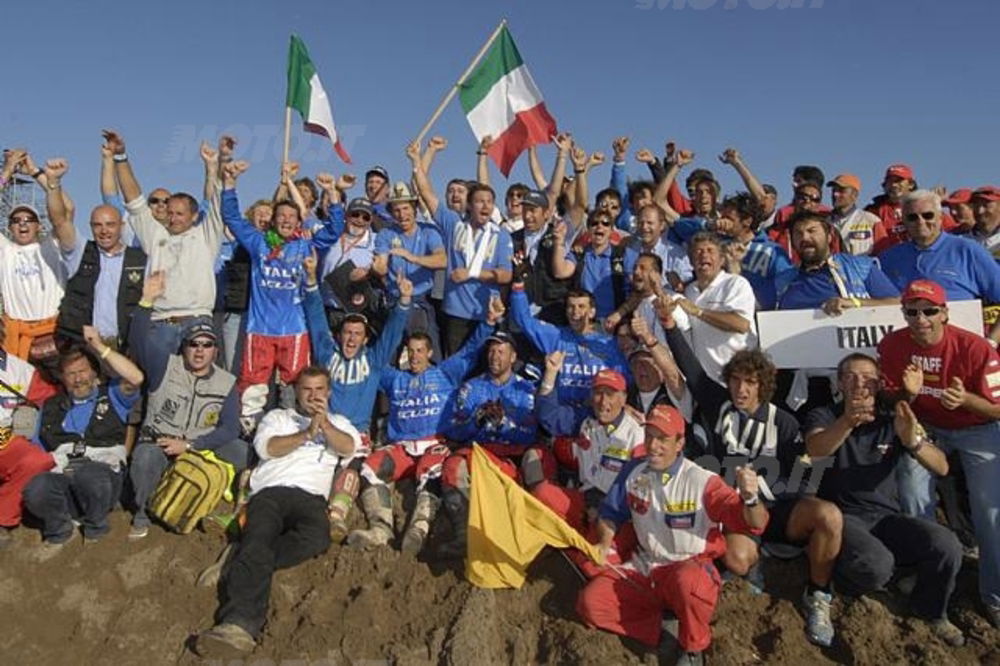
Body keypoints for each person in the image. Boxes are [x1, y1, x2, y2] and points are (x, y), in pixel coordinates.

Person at [658, 303, 841, 646]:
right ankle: (756, 563)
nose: (741, 389)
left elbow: (804, 478)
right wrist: (668, 326)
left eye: (750, 383)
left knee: (829, 516)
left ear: (764, 386)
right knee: (738, 559)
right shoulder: (718, 404)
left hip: (777, 507)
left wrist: (764, 490)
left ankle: (819, 595)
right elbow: (691, 369)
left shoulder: (783, 423)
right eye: (736, 381)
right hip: (740, 513)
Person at [576, 404, 768, 666]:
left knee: (689, 583)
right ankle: (665, 627)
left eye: (663, 439)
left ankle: (693, 647)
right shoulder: (633, 471)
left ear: (680, 443)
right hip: (647, 565)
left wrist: (751, 498)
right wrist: (603, 544)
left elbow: (756, 524)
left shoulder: (703, 481)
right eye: (650, 436)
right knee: (591, 603)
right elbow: (610, 515)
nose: (653, 446)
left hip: (689, 566)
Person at [193, 367, 361, 658]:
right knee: (259, 537)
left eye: (319, 389)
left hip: (310, 497)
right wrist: (306, 433)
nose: (313, 396)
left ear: (329, 392)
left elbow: (350, 447)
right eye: (307, 390)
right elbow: (267, 448)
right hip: (270, 492)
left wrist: (325, 427)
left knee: (316, 539)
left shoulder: (340, 422)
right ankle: (237, 625)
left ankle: (241, 558)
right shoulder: (278, 417)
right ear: (296, 391)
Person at [803, 353, 966, 646]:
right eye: (850, 376)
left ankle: (932, 612)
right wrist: (847, 422)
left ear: (879, 385)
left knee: (947, 545)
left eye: (868, 378)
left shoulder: (894, 419)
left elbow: (941, 466)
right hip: (843, 518)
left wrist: (912, 441)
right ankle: (844, 579)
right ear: (839, 383)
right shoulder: (824, 414)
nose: (859, 384)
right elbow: (816, 449)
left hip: (887, 517)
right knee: (876, 566)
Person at [877, 279, 1000, 628]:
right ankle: (929, 570)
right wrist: (906, 393)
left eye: (930, 311)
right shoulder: (892, 344)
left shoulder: (975, 348)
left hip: (978, 429)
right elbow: (887, 401)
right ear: (903, 314)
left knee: (991, 512)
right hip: (926, 426)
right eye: (912, 312)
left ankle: (995, 595)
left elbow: (998, 409)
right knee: (913, 494)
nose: (921, 319)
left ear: (944, 313)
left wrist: (967, 401)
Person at [347, 297, 503, 553]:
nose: (415, 356)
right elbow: (371, 362)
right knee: (371, 467)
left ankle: (419, 530)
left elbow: (471, 350)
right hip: (403, 447)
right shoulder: (394, 378)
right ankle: (380, 529)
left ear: (430, 353)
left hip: (436, 444)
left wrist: (488, 322)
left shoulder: (444, 373)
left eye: (420, 351)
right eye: (410, 351)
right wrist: (360, 341)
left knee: (431, 471)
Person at [127, 272, 250, 539]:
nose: (199, 350)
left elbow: (229, 429)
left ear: (215, 351)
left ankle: (231, 502)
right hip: (160, 442)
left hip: (198, 445)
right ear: (184, 348)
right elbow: (138, 342)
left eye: (207, 345)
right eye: (193, 344)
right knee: (145, 459)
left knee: (243, 452)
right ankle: (143, 512)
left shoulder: (226, 382)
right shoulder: (164, 366)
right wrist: (146, 300)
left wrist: (192, 446)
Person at [302, 252, 411, 537]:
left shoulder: (374, 360)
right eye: (347, 333)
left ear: (365, 338)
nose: (351, 338)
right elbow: (316, 319)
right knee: (313, 466)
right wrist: (312, 279)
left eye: (357, 334)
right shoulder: (327, 353)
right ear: (340, 335)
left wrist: (404, 302)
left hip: (358, 434)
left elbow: (393, 332)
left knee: (353, 467)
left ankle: (337, 515)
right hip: (325, 426)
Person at [105, 130, 226, 363]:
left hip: (198, 321)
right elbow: (134, 200)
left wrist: (219, 164)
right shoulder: (155, 235)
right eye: (170, 213)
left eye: (180, 214)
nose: (173, 218)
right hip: (160, 324)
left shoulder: (205, 236)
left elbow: (218, 200)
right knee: (158, 389)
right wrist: (120, 157)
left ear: (193, 216)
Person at [23, 326, 143, 555]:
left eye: (83, 371)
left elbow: (136, 377)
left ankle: (96, 529)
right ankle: (59, 531)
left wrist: (99, 346)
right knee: (36, 488)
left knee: (90, 476)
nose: (78, 379)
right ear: (62, 379)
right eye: (71, 374)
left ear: (95, 373)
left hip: (102, 476)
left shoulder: (113, 394)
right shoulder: (49, 407)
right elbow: (36, 452)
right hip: (64, 473)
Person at [437, 329, 545, 558]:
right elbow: (453, 430)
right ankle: (464, 535)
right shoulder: (471, 387)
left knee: (540, 459)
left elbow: (532, 433)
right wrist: (475, 421)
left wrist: (503, 423)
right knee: (452, 466)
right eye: (492, 351)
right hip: (480, 453)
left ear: (513, 357)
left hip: (512, 455)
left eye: (501, 351)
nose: (495, 356)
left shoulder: (526, 389)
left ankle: (539, 533)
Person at [220, 160, 313, 426]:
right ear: (272, 220)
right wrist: (230, 184)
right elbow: (233, 219)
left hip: (294, 330)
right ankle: (250, 439)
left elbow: (331, 231)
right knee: (252, 390)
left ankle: (294, 437)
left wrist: (333, 196)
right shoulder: (258, 241)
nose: (285, 220)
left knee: (295, 389)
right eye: (280, 216)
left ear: (298, 222)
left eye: (291, 217)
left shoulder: (303, 245)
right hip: (259, 328)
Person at [409, 140, 514, 354]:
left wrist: (472, 273)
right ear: (469, 205)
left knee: (481, 371)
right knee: (455, 369)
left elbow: (505, 275)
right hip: (454, 313)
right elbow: (426, 192)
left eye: (489, 202)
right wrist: (416, 161)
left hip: (486, 313)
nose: (485, 206)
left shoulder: (501, 234)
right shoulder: (453, 224)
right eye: (480, 201)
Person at [878, 190, 1000, 342]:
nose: (920, 221)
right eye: (912, 217)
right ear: (903, 221)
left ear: (941, 218)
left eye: (928, 215)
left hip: (961, 349)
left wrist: (991, 341)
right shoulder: (888, 258)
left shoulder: (967, 250)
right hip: (905, 350)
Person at [511, 280, 629, 431]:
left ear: (592, 312)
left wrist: (625, 407)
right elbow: (523, 320)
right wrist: (519, 288)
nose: (575, 312)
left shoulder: (608, 344)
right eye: (571, 307)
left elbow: (625, 381)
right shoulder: (556, 336)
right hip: (562, 416)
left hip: (598, 416)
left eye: (581, 306)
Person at [0, 152, 77, 360]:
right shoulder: (5, 251)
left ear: (39, 225)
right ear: (9, 227)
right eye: (16, 220)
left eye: (29, 218)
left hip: (54, 334)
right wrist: (7, 171)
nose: (23, 223)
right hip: (18, 340)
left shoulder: (51, 245)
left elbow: (67, 210)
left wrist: (37, 173)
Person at [57, 196, 147, 351]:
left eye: (110, 225)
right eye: (97, 225)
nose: (104, 231)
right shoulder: (80, 253)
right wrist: (53, 184)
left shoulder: (140, 259)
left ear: (122, 226)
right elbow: (59, 220)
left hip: (126, 346)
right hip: (85, 345)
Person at [372, 182, 447, 359]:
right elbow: (381, 264)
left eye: (406, 208)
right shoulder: (386, 234)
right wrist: (378, 269)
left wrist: (413, 258)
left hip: (420, 300)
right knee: (388, 355)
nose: (402, 215)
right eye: (396, 210)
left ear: (414, 208)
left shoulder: (429, 231)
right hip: (394, 298)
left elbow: (442, 260)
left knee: (429, 355)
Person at [774, 211, 900, 313]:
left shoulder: (861, 267)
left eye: (812, 231)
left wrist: (855, 303)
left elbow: (897, 302)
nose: (805, 238)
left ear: (829, 236)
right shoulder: (783, 281)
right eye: (798, 233)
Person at [674, 232, 757, 386]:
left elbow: (741, 324)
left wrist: (699, 312)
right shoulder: (689, 291)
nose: (704, 255)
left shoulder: (736, 283)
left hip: (738, 380)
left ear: (721, 260)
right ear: (692, 262)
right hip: (705, 383)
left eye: (710, 251)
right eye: (698, 252)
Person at [552, 210, 639, 320]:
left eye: (605, 223)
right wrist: (559, 242)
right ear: (588, 229)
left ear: (612, 230)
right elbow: (560, 272)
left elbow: (638, 290)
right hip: (584, 322)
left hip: (616, 322)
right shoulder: (580, 254)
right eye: (594, 223)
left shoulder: (625, 254)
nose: (599, 226)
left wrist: (619, 314)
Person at [509, 189, 574, 326]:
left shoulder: (559, 236)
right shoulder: (512, 239)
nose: (527, 215)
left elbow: (579, 207)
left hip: (553, 311)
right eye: (525, 210)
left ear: (546, 213)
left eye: (532, 210)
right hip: (521, 311)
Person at [826, 173, 882, 256]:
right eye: (834, 190)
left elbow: (884, 254)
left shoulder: (871, 221)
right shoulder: (824, 223)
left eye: (841, 191)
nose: (835, 194)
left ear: (854, 195)